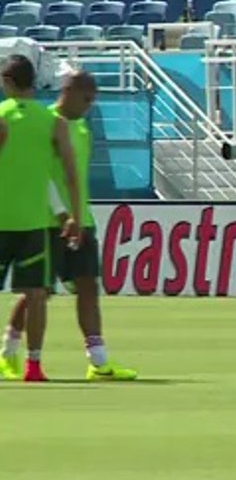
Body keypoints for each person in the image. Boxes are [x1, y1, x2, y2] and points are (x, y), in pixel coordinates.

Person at [4, 71, 137, 382]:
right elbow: (40, 174)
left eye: (93, 100)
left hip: (82, 221)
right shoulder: (46, 123)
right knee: (37, 293)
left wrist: (79, 216)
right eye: (86, 99)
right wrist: (62, 213)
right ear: (68, 91)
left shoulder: (82, 128)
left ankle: (98, 361)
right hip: (48, 221)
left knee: (89, 286)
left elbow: (76, 178)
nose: (89, 106)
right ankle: (8, 353)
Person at [0, 55, 83, 383]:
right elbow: (70, 172)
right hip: (34, 223)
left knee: (33, 294)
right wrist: (73, 215)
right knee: (36, 294)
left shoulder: (2, 117)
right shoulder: (54, 122)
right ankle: (34, 365)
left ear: (8, 82)